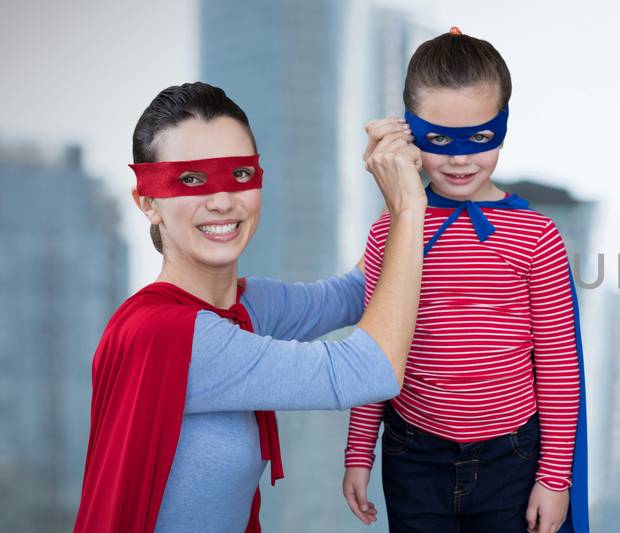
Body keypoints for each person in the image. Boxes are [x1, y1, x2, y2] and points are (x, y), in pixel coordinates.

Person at [74, 81, 428, 533]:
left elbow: (358, 291)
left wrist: (397, 184)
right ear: (148, 202)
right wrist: (408, 207)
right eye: (190, 180)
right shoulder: (169, 334)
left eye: (239, 175)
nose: (222, 201)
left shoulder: (245, 307)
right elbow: (369, 370)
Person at [339, 27, 590, 533]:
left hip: (512, 457)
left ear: (503, 127)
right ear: (407, 132)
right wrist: (359, 451)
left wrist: (555, 477)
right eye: (438, 139)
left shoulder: (536, 235)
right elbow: (375, 351)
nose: (459, 158)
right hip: (414, 454)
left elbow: (560, 365)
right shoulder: (391, 230)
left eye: (478, 138)